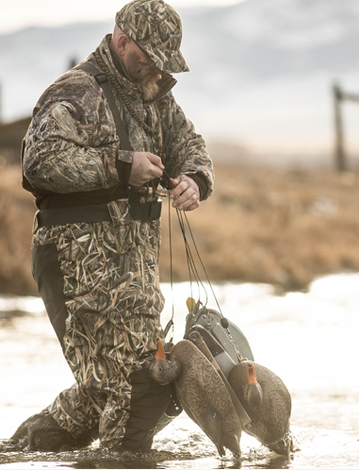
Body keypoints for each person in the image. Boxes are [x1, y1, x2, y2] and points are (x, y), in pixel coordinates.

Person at [13, 0, 214, 453]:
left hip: (134, 269)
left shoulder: (156, 95)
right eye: (151, 60)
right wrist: (122, 167)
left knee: (139, 383)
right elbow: (38, 164)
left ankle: (25, 452)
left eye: (165, 65)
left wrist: (194, 181)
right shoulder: (75, 92)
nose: (158, 74)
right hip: (78, 264)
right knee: (140, 389)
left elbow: (191, 146)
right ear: (123, 42)